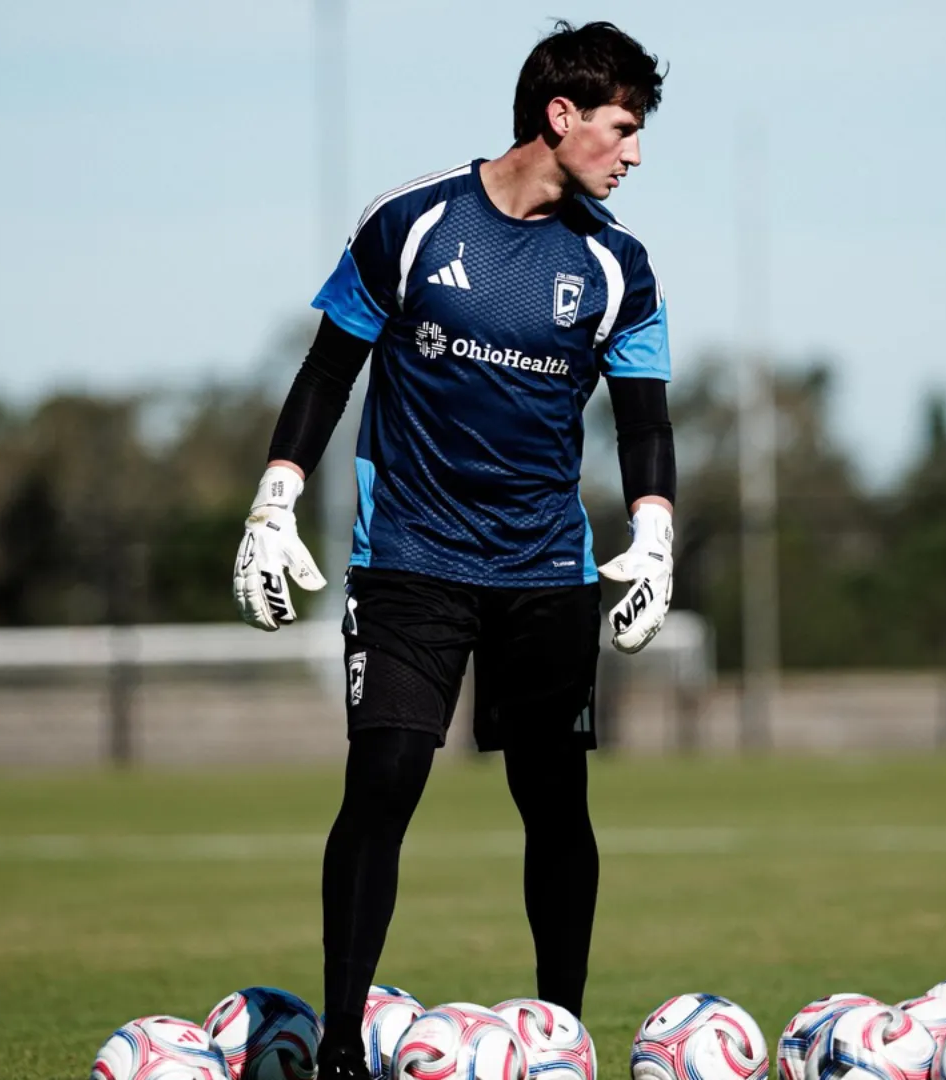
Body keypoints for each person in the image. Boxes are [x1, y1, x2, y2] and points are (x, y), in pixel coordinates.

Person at [231, 19, 675, 1079]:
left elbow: (646, 418)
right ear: (558, 117)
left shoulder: (619, 266)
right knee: (381, 780)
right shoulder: (412, 223)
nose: (636, 152)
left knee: (554, 804)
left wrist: (654, 530)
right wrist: (275, 499)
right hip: (412, 561)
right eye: (623, 126)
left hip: (544, 572)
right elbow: (328, 371)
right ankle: (341, 1046)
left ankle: (559, 1039)